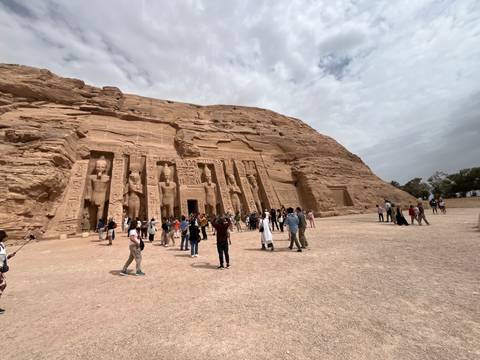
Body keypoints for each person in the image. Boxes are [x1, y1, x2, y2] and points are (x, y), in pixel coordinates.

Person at [0, 230, 16, 314]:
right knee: (2, 284)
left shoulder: (2, 245)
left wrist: (9, 256)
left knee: (2, 285)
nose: (7, 236)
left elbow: (2, 257)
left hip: (1, 268)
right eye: (5, 235)